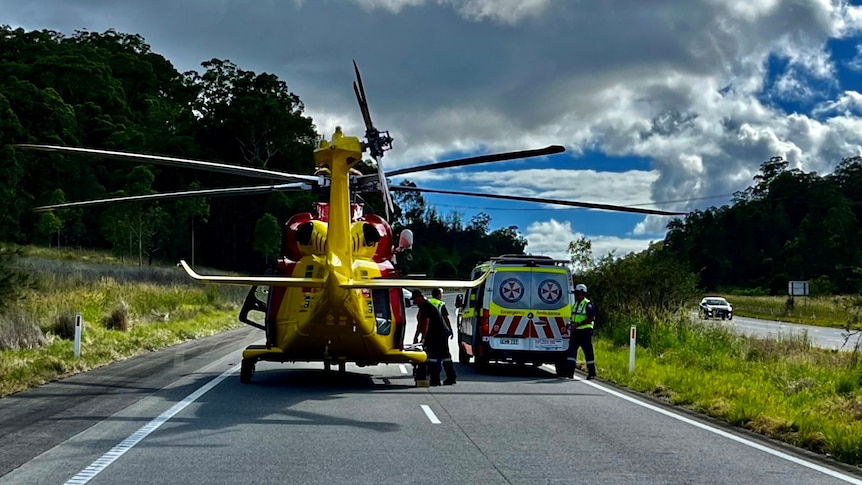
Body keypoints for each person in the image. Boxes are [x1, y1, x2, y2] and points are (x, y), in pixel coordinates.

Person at [412, 289, 457, 386]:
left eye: (415, 300)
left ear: (419, 297)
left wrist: (422, 337)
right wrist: (416, 336)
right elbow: (421, 323)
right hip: (440, 333)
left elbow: (425, 323)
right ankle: (451, 377)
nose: (414, 302)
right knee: (445, 356)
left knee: (432, 357)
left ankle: (435, 379)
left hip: (436, 334)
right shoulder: (425, 305)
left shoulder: (425, 306)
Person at [566, 283, 597, 380]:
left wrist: (579, 324)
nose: (576, 295)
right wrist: (571, 324)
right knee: (571, 352)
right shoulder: (575, 304)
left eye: (578, 293)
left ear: (582, 293)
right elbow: (575, 317)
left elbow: (592, 318)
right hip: (576, 332)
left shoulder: (587, 304)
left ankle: (592, 373)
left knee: (588, 352)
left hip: (585, 332)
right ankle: (570, 372)